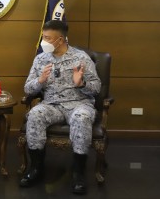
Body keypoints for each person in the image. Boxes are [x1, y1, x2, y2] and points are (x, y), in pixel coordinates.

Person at [19, 20, 101, 194]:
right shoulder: (41, 59)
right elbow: (27, 89)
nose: (44, 42)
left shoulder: (81, 58)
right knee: (35, 114)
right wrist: (40, 81)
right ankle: (36, 168)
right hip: (52, 105)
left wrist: (81, 83)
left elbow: (96, 88)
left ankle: (78, 173)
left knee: (82, 117)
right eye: (43, 37)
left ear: (61, 40)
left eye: (48, 38)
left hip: (79, 104)